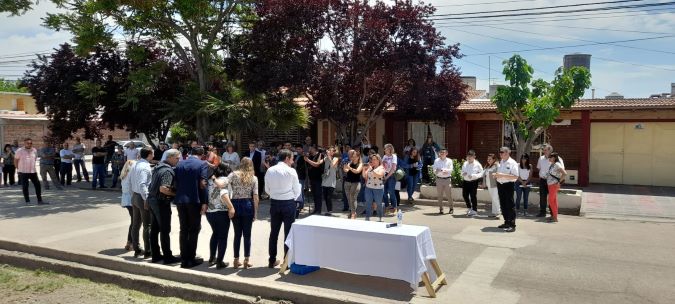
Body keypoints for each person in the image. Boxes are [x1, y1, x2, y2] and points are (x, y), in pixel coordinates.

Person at [265, 149, 301, 268]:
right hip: (288, 203)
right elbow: (297, 190)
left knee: (274, 232)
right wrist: (291, 198)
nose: (292, 161)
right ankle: (286, 261)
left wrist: (275, 195)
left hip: (275, 203)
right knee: (288, 233)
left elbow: (267, 189)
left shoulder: (270, 170)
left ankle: (272, 259)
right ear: (286, 158)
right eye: (291, 158)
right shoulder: (291, 171)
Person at [174, 146, 209, 268]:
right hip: (194, 201)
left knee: (183, 229)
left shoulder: (179, 164)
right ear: (202, 154)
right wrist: (205, 202)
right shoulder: (202, 164)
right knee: (194, 229)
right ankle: (190, 258)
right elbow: (203, 184)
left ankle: (184, 258)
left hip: (180, 200)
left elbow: (176, 182)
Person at [147, 149, 181, 265]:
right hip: (160, 202)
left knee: (155, 229)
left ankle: (156, 255)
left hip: (152, 200)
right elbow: (164, 189)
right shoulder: (167, 171)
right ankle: (167, 257)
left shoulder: (158, 167)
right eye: (177, 158)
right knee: (164, 230)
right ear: (170, 157)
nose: (178, 160)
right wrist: (176, 194)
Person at [228, 157, 259, 269]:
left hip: (235, 204)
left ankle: (236, 260)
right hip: (247, 205)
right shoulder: (254, 178)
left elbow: (225, 187)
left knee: (237, 234)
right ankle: (246, 260)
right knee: (247, 235)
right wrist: (255, 212)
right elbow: (255, 196)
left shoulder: (232, 175)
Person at [205, 163, 234, 269]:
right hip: (221, 212)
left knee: (215, 234)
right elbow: (224, 194)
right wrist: (231, 208)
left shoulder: (209, 181)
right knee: (222, 237)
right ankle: (219, 261)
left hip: (210, 212)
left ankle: (212, 258)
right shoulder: (225, 180)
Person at [129, 147, 153, 259]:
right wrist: (146, 199)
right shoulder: (145, 166)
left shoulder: (135, 164)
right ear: (149, 154)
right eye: (152, 152)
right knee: (146, 225)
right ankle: (148, 251)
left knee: (136, 224)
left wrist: (132, 195)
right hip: (141, 197)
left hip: (135, 195)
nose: (153, 154)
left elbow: (130, 181)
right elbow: (143, 185)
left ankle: (137, 249)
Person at [493, 147, 519, 232]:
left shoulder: (512, 163)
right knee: (503, 204)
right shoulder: (502, 162)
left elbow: (515, 176)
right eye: (499, 152)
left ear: (508, 153)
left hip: (508, 185)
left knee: (510, 205)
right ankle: (506, 221)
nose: (500, 154)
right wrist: (497, 175)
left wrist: (502, 175)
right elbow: (501, 174)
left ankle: (512, 225)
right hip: (500, 185)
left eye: (502, 152)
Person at [536, 144, 565, 217]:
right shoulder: (541, 158)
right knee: (542, 197)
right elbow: (539, 168)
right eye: (543, 150)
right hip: (543, 180)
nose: (544, 151)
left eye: (545, 150)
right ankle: (542, 212)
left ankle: (553, 214)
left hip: (552, 182)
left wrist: (558, 182)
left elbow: (562, 171)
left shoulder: (557, 159)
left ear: (550, 150)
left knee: (552, 198)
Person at [15, 138, 45, 205]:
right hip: (23, 172)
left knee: (38, 185)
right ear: (24, 143)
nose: (29, 144)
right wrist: (18, 169)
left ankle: (40, 201)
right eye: (28, 143)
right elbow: (15, 160)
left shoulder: (34, 150)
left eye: (31, 143)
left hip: (32, 171)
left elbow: (35, 158)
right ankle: (27, 201)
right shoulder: (19, 151)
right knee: (25, 187)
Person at [362, 154, 385, 221]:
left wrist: (372, 169)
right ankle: (367, 217)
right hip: (368, 187)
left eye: (375, 159)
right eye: (372, 160)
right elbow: (364, 176)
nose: (373, 161)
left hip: (378, 189)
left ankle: (380, 217)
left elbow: (380, 175)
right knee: (368, 202)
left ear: (378, 160)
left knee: (378, 203)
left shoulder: (381, 168)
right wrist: (364, 169)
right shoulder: (370, 168)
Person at [120, 160, 136, 251]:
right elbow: (132, 189)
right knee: (135, 222)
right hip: (131, 200)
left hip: (126, 200)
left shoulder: (124, 174)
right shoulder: (131, 174)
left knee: (133, 222)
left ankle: (129, 242)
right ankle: (131, 243)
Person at [462, 150, 484, 216]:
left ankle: (474, 210)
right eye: (468, 157)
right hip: (465, 181)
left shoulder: (477, 164)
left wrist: (474, 176)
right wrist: (463, 173)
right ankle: (469, 207)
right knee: (464, 195)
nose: (469, 158)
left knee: (473, 196)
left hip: (473, 182)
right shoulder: (465, 163)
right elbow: (462, 171)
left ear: (474, 157)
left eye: (470, 157)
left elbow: (482, 173)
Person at [546, 152, 567, 223]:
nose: (549, 158)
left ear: (554, 158)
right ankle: (554, 216)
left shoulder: (557, 164)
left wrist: (558, 182)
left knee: (551, 201)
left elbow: (564, 173)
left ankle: (555, 217)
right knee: (553, 201)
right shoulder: (552, 164)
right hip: (550, 185)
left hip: (553, 185)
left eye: (551, 157)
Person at [304, 146, 324, 215]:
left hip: (318, 179)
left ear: (314, 149)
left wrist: (307, 160)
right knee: (314, 195)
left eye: (310, 148)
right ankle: (315, 209)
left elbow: (317, 165)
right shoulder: (310, 156)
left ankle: (319, 210)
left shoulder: (320, 155)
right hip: (311, 178)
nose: (309, 150)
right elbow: (308, 166)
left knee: (318, 195)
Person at [433, 148, 453, 214]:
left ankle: (451, 208)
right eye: (441, 152)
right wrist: (439, 171)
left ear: (446, 153)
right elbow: (434, 170)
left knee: (449, 195)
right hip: (439, 179)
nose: (442, 153)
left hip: (447, 179)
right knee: (439, 195)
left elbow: (451, 170)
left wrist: (443, 170)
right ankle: (441, 209)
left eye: (444, 152)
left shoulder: (449, 161)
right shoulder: (436, 161)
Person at [343, 150, 362, 219]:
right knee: (349, 198)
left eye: (354, 156)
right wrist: (346, 166)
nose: (353, 158)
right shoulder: (349, 162)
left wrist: (349, 168)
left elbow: (357, 171)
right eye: (352, 156)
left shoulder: (360, 164)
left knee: (353, 198)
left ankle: (353, 213)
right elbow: (345, 170)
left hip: (356, 183)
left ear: (358, 157)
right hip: (347, 182)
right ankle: (352, 212)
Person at [320, 146, 339, 215]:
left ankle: (330, 211)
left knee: (329, 197)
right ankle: (328, 210)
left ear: (333, 152)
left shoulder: (335, 158)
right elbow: (319, 162)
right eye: (329, 150)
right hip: (325, 180)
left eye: (331, 150)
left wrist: (328, 156)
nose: (329, 151)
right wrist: (320, 154)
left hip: (331, 181)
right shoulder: (326, 157)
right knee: (325, 197)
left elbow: (333, 165)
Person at [481, 153, 501, 218]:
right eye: (487, 159)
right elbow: (483, 175)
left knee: (495, 198)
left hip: (495, 184)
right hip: (489, 184)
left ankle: (498, 212)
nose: (488, 160)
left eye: (490, 159)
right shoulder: (487, 166)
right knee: (493, 198)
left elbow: (499, 174)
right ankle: (494, 213)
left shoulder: (497, 165)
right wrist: (483, 183)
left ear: (494, 159)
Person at [381, 144, 398, 214]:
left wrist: (387, 177)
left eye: (387, 148)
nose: (385, 150)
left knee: (391, 192)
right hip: (384, 175)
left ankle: (394, 207)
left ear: (390, 149)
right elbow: (381, 166)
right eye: (385, 148)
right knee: (384, 193)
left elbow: (393, 168)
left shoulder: (394, 156)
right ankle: (387, 207)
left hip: (391, 175)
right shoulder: (384, 156)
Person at [294, 144, 307, 218]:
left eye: (299, 149)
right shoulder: (295, 156)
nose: (298, 150)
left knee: (300, 191)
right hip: (294, 176)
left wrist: (295, 165)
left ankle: (301, 206)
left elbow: (302, 167)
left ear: (302, 149)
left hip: (301, 176)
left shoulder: (303, 157)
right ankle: (297, 204)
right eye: (297, 149)